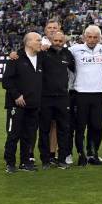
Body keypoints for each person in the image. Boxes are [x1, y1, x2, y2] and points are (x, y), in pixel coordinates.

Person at [69, 25, 102, 166]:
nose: (92, 40)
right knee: (80, 127)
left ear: (100, 38)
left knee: (96, 126)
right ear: (84, 37)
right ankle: (81, 154)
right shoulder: (74, 49)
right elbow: (58, 53)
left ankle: (93, 154)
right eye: (89, 37)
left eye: (95, 37)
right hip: (80, 93)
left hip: (98, 94)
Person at [3, 33, 44, 173]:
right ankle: (10, 163)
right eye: (38, 40)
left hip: (34, 104)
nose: (40, 42)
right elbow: (6, 81)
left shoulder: (41, 57)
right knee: (13, 134)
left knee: (29, 135)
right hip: (16, 104)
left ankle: (25, 162)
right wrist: (16, 95)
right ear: (28, 42)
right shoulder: (15, 58)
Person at [38, 31, 75, 169]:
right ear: (51, 40)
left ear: (64, 41)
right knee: (44, 129)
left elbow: (74, 69)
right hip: (45, 97)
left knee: (64, 129)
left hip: (63, 98)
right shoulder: (43, 53)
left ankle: (62, 159)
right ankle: (45, 160)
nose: (58, 43)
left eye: (61, 41)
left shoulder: (67, 54)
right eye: (56, 41)